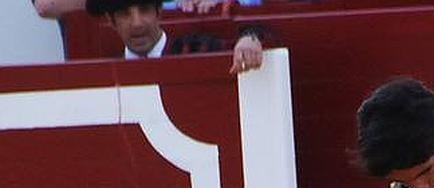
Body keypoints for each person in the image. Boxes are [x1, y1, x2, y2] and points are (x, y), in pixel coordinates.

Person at [34, 0, 263, 73]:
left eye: (144, 10)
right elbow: (47, 4)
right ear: (111, 22)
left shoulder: (199, 48)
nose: (137, 23)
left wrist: (250, 36)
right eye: (125, 14)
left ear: (158, 12)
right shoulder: (104, 70)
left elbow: (271, 36)